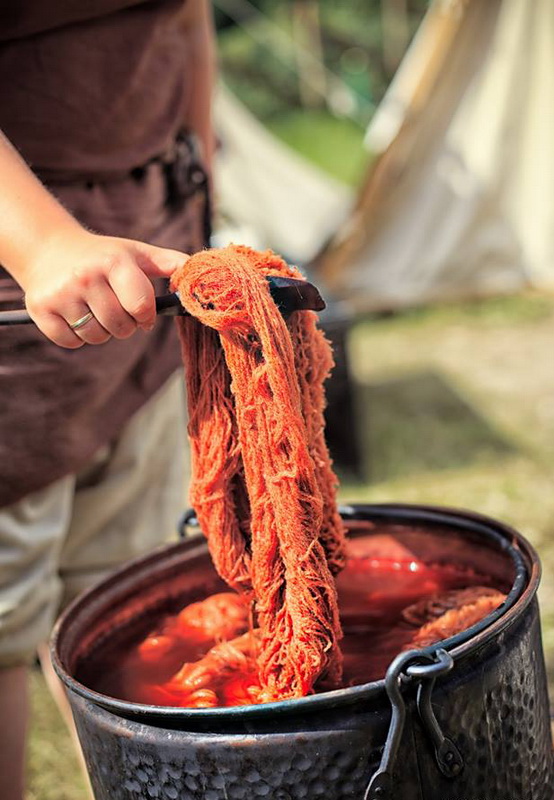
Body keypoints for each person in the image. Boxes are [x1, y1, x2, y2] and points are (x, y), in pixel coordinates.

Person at [0, 2, 216, 797]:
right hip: (16, 296)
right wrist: (43, 243)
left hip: (152, 262)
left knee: (127, 601)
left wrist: (203, 204)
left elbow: (186, 20)